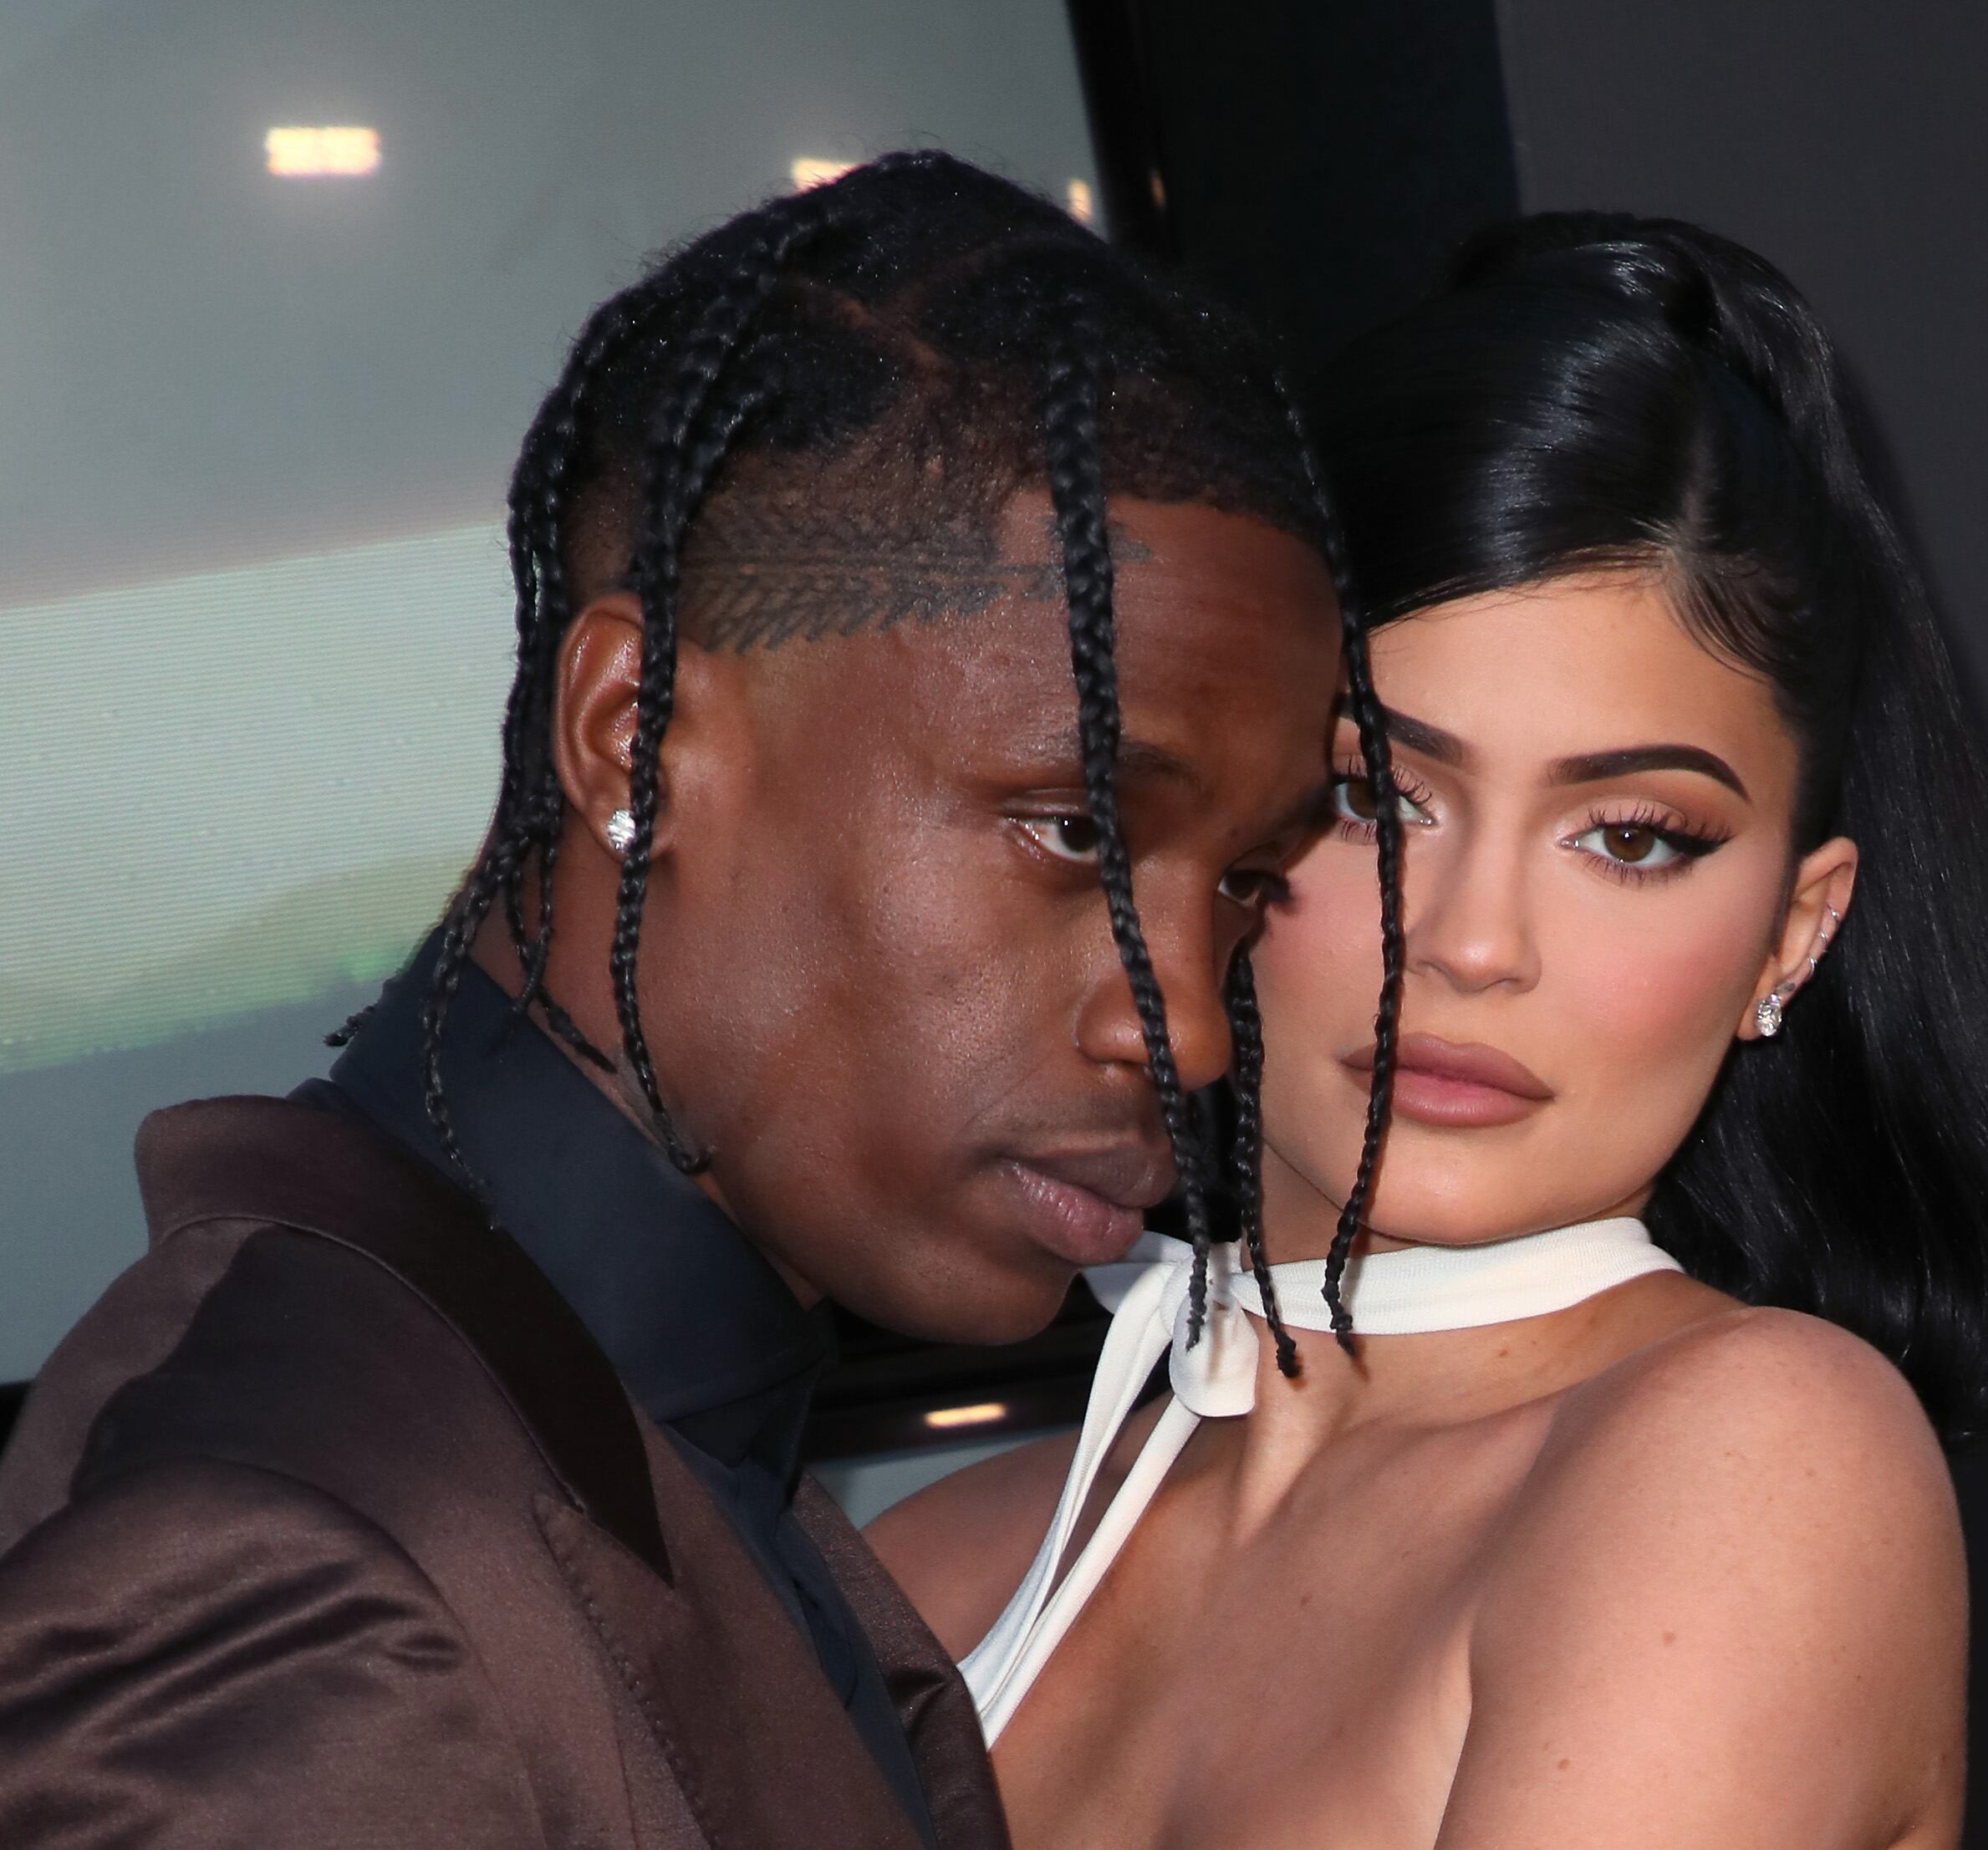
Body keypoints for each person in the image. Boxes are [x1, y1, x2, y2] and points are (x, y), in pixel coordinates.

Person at [0, 152, 1400, 1849]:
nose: (1184, 1031)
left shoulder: (616, 1442)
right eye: (1077, 830)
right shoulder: (308, 1578)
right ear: (639, 739)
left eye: (1244, 883)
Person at [868, 213, 1988, 1848]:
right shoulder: (925, 1576)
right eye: (1377, 795)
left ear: (1793, 932)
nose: (1474, 944)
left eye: (1630, 836)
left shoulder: (1755, 1461)